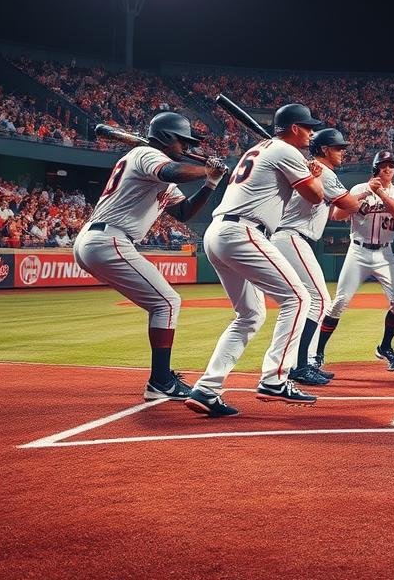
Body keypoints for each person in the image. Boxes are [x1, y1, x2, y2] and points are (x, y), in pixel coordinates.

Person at [73, 112, 227, 400]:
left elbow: (184, 212)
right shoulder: (145, 154)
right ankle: (161, 382)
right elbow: (171, 171)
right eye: (182, 141)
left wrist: (211, 182)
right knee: (167, 302)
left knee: (164, 303)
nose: (187, 147)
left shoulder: (155, 167)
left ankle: (161, 380)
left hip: (100, 239)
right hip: (109, 238)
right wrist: (206, 170)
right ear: (167, 137)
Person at [185, 103, 325, 418]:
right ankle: (275, 379)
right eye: (307, 127)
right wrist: (313, 175)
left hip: (219, 232)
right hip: (244, 232)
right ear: (294, 128)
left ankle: (206, 388)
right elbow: (315, 196)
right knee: (299, 299)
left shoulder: (263, 149)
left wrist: (307, 173)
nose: (311, 133)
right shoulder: (286, 151)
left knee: (250, 315)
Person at [272, 128, 360, 386]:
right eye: (338, 148)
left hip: (292, 237)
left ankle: (302, 363)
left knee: (309, 300)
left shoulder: (313, 171)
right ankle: (299, 366)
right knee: (319, 300)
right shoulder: (324, 173)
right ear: (324, 149)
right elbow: (351, 205)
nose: (343, 152)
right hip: (292, 236)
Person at [315, 150, 394, 366]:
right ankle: (317, 354)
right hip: (358, 251)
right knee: (339, 302)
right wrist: (367, 192)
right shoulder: (358, 189)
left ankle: (384, 347)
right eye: (383, 165)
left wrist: (382, 194)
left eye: (391, 165)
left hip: (385, 253)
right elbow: (337, 215)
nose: (388, 169)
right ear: (375, 168)